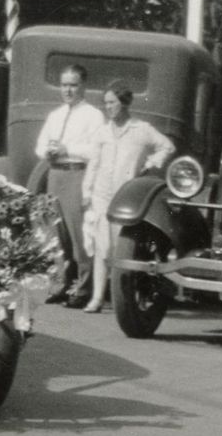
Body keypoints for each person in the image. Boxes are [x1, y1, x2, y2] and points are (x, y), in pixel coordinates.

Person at [79, 84, 175, 316]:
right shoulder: (102, 132)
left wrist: (149, 164)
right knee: (102, 247)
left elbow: (167, 146)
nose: (108, 107)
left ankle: (120, 299)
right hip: (102, 195)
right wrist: (86, 192)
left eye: (113, 102)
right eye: (106, 103)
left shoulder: (141, 130)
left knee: (120, 248)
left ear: (125, 103)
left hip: (126, 197)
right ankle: (96, 298)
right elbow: (94, 164)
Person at [26, 64, 105, 305]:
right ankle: (60, 284)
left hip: (76, 174)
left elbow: (96, 150)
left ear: (83, 86)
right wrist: (48, 151)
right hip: (55, 174)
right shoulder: (55, 115)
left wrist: (67, 149)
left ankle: (83, 288)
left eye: (73, 85)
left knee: (78, 232)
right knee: (55, 233)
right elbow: (39, 145)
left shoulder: (93, 116)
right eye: (64, 85)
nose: (68, 90)